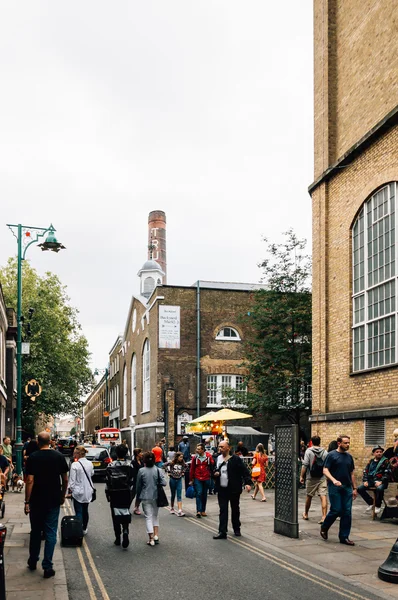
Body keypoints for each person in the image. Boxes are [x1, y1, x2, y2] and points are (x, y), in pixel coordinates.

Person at [24, 432, 69, 578]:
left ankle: (32, 561)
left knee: (36, 531)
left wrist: (27, 501)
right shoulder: (59, 457)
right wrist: (62, 495)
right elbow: (65, 479)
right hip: (53, 500)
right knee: (51, 533)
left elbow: (29, 481)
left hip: (36, 500)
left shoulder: (33, 457)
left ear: (38, 442)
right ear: (50, 441)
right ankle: (47, 566)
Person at [320, 435, 357, 546]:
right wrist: (334, 480)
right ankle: (324, 527)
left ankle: (344, 537)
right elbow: (325, 470)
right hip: (334, 487)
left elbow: (352, 473)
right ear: (339, 443)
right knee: (336, 509)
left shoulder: (349, 457)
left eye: (349, 442)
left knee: (347, 512)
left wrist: (354, 488)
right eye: (345, 443)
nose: (348, 445)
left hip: (347, 487)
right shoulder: (331, 455)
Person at [213, 439, 252, 539]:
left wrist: (247, 483)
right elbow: (212, 470)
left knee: (235, 509)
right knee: (223, 510)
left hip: (234, 488)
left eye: (222, 447)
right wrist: (215, 474)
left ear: (228, 448)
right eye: (219, 447)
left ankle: (236, 529)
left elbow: (244, 471)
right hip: (222, 489)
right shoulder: (217, 459)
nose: (220, 449)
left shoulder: (235, 459)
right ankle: (222, 532)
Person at [106, 444, 135, 548]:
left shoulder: (110, 465)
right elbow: (132, 480)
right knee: (125, 511)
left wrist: (108, 494)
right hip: (126, 493)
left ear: (116, 453)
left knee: (115, 515)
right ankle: (126, 530)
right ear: (126, 453)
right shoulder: (129, 465)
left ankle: (118, 538)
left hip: (114, 493)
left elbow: (107, 481)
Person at [136, 451, 167, 546]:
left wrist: (138, 498)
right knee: (155, 516)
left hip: (145, 496)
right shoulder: (158, 470)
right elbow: (164, 483)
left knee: (148, 517)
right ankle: (156, 535)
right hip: (156, 496)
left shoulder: (141, 471)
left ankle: (151, 538)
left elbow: (138, 486)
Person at [300, 435, 328, 523]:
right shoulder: (325, 452)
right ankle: (324, 516)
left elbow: (305, 465)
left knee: (309, 495)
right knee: (323, 496)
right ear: (319, 442)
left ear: (311, 441)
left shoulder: (308, 451)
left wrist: (301, 476)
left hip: (310, 477)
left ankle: (306, 514)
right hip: (322, 477)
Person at [68, 446, 94, 535]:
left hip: (77, 492)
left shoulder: (75, 465)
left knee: (78, 512)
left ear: (78, 454)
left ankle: (78, 530)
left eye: (75, 453)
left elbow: (72, 481)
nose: (73, 454)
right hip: (88, 491)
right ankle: (84, 528)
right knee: (85, 510)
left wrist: (70, 491)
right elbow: (92, 473)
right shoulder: (90, 463)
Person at [357, 446, 390, 515]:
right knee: (359, 489)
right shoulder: (371, 461)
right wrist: (365, 480)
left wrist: (381, 481)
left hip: (381, 481)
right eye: (377, 452)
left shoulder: (386, 461)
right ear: (373, 453)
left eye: (380, 452)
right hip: (371, 480)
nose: (379, 453)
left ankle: (378, 505)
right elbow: (365, 471)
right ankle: (371, 503)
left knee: (379, 489)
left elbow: (387, 473)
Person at [189, 442, 214, 518]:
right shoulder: (195, 458)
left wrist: (210, 458)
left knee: (204, 494)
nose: (197, 450)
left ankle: (203, 510)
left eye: (199, 449)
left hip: (206, 477)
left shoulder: (208, 457)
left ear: (203, 450)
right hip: (197, 477)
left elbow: (212, 464)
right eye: (197, 449)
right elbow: (192, 468)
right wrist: (191, 479)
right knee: (199, 493)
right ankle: (199, 511)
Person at [164, 452, 187, 516]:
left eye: (182, 457)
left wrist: (183, 472)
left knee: (179, 495)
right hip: (172, 479)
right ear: (177, 457)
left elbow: (186, 466)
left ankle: (180, 510)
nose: (181, 458)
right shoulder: (172, 463)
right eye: (180, 457)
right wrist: (168, 471)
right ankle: (172, 508)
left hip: (179, 480)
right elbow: (164, 465)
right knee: (173, 494)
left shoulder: (183, 463)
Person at [132, 447, 144, 515]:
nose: (141, 454)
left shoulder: (141, 461)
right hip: (135, 480)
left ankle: (136, 507)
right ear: (137, 454)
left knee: (139, 495)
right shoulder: (133, 462)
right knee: (132, 495)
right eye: (140, 453)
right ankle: (127, 507)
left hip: (141, 480)